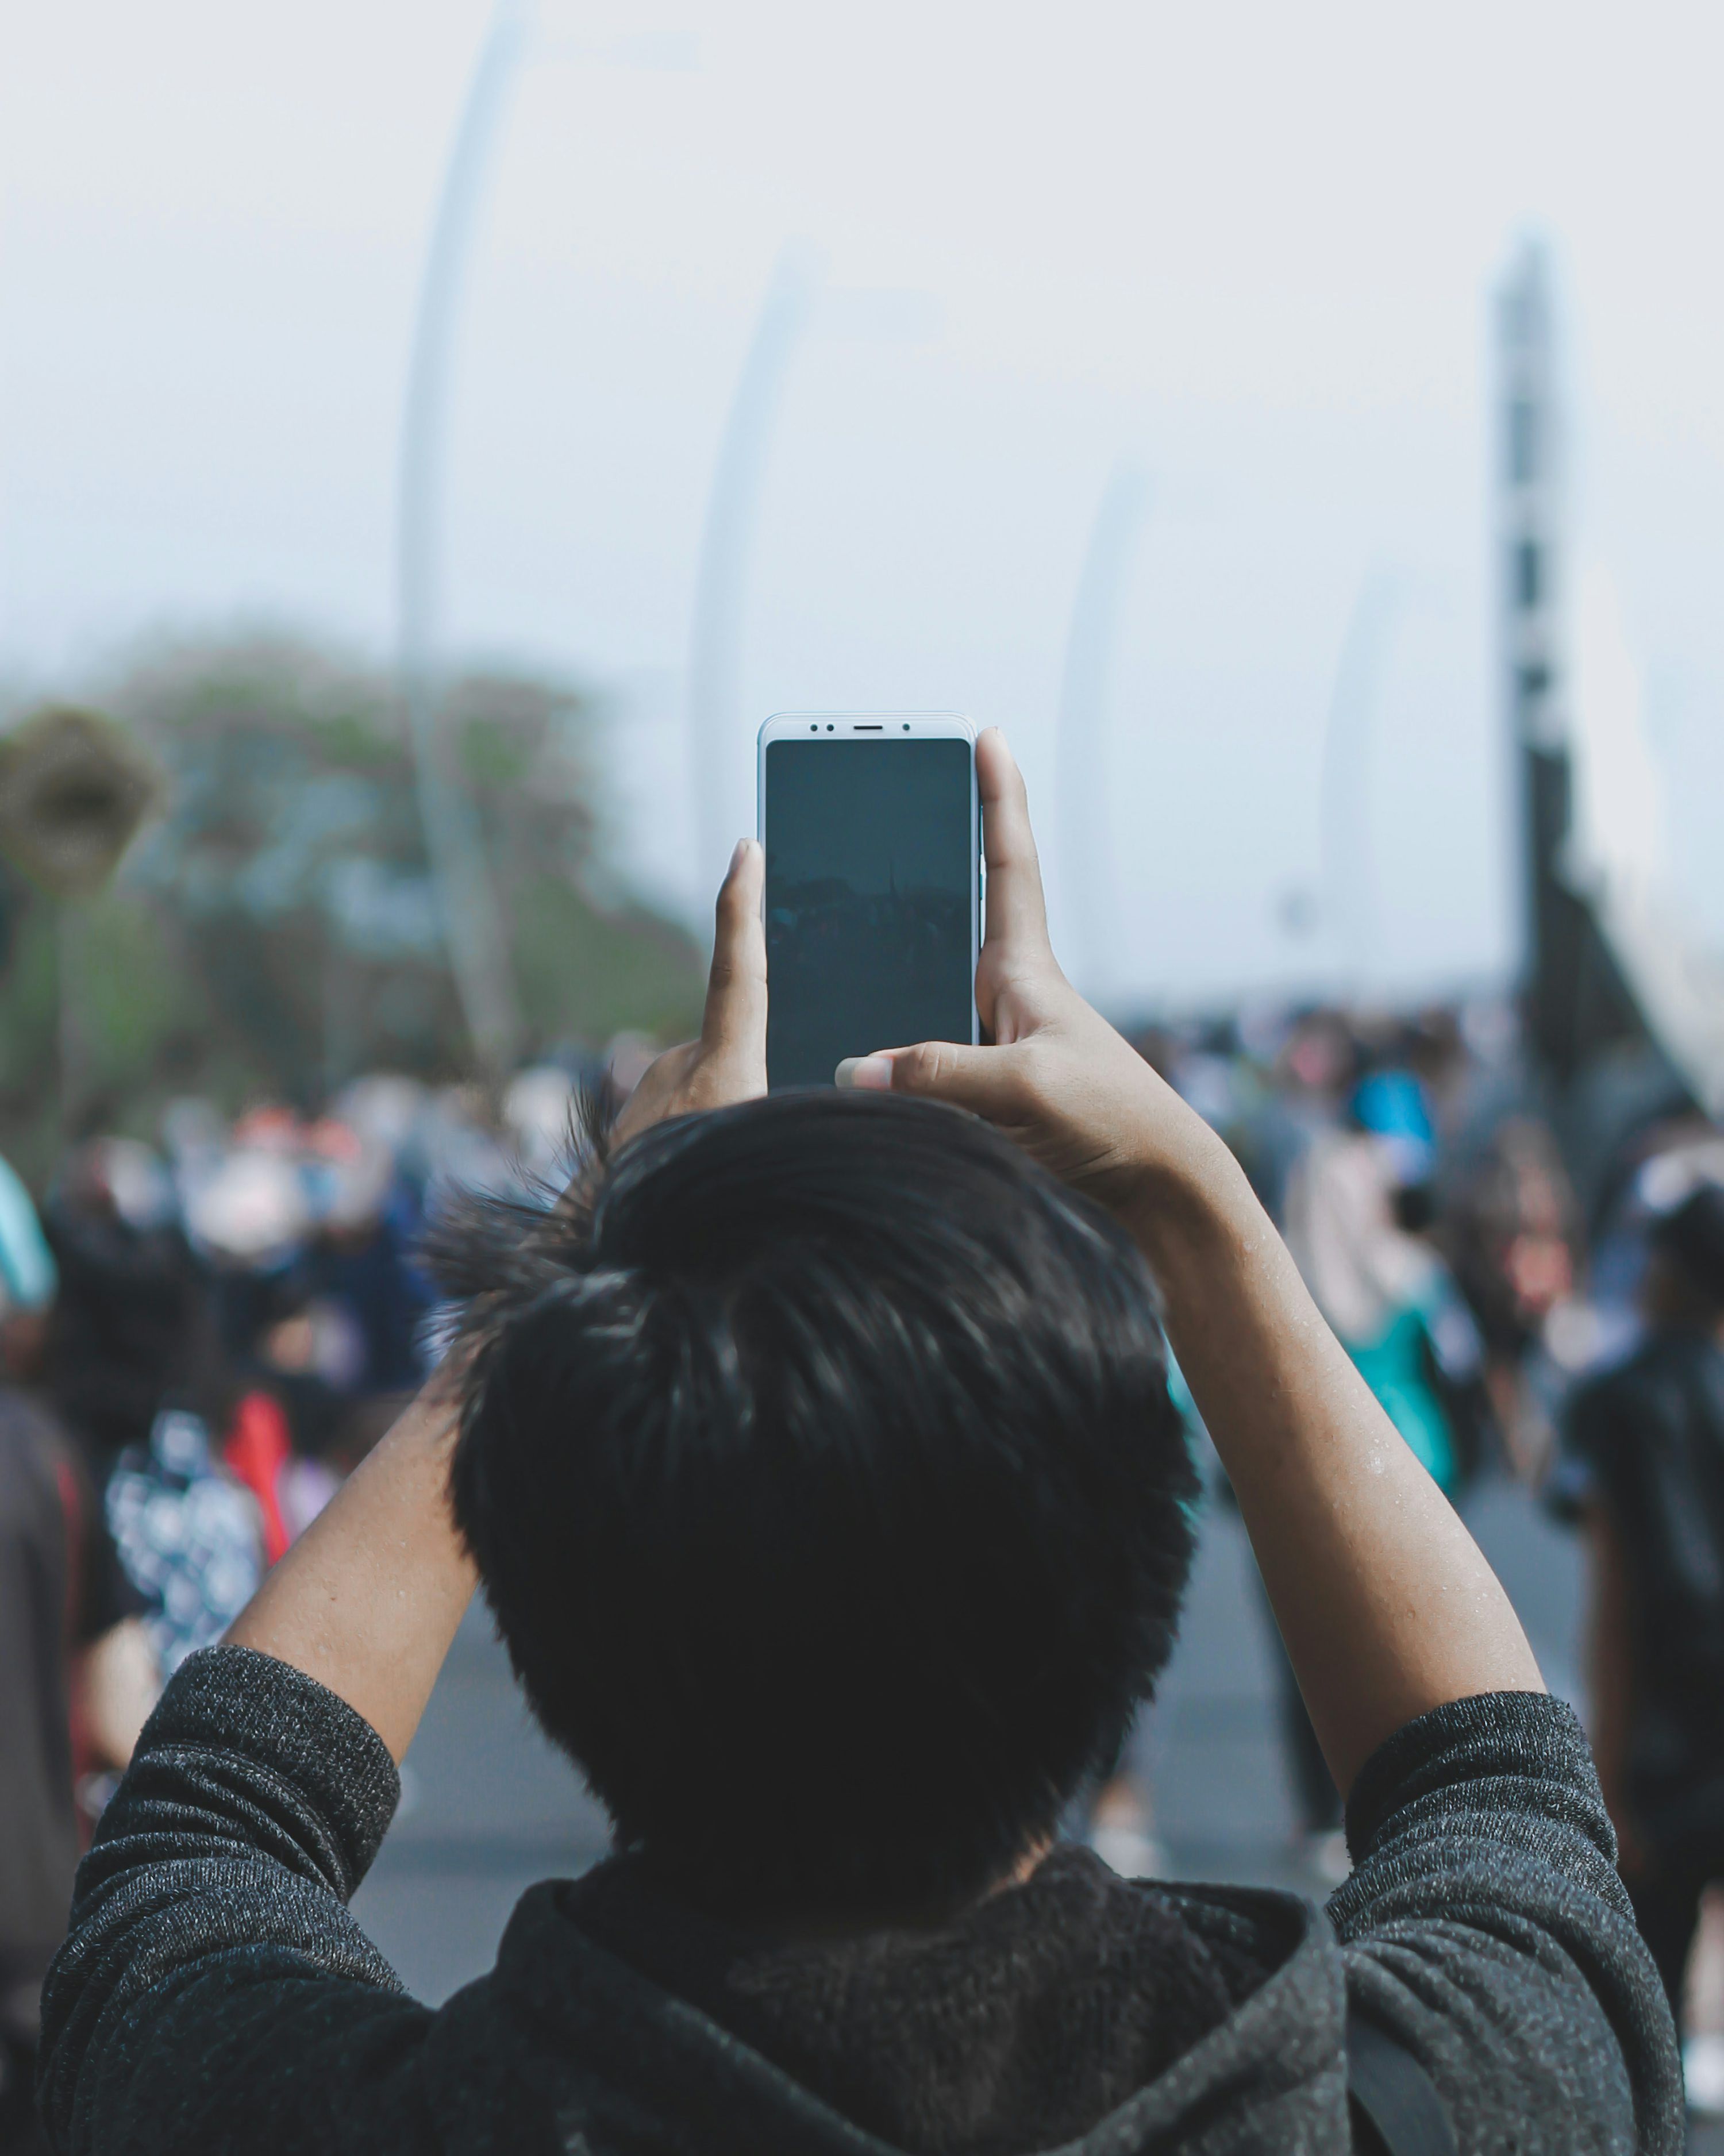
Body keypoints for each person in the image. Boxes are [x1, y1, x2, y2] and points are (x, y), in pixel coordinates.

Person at [38, 736, 1679, 2154]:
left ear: (556, 1624)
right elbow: (1503, 1796)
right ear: (1134, 1597)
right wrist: (1190, 1199)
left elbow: (207, 1833)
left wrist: (580, 1259)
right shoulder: (1433, 2102)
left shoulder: (349, 2122)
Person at [1564, 1182, 1724, 2023]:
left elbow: (1615, 1606)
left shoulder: (1622, 1401)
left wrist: (1609, 1778)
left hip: (1665, 1738)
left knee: (1646, 2013)